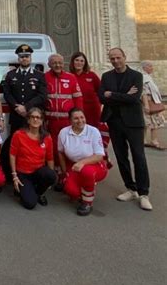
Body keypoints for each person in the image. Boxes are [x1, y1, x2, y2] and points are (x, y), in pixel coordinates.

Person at [99, 48, 152, 211]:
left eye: (118, 57)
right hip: (114, 122)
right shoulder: (106, 76)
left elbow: (134, 98)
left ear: (124, 57)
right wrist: (122, 95)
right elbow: (102, 97)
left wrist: (112, 95)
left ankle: (144, 194)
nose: (115, 60)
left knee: (139, 157)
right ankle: (131, 188)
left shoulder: (136, 76)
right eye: (112, 58)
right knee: (121, 157)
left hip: (133, 122)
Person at [1, 44, 47, 177]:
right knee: (16, 145)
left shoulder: (39, 76)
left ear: (31, 58)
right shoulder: (11, 75)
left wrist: (26, 107)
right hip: (17, 117)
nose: (24, 59)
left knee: (35, 145)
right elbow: (7, 94)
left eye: (27, 57)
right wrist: (17, 106)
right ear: (18, 59)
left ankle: (36, 173)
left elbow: (42, 96)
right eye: (22, 57)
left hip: (34, 118)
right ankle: (15, 173)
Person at [58, 108, 108, 216]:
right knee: (71, 191)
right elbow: (60, 153)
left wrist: (82, 163)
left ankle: (87, 202)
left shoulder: (93, 131)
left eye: (82, 117)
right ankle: (85, 187)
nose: (80, 120)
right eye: (76, 118)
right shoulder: (64, 132)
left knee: (87, 172)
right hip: (74, 166)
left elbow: (99, 156)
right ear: (70, 120)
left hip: (94, 165)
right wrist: (64, 172)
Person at [9, 107, 57, 210]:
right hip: (23, 173)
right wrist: (14, 176)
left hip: (38, 172)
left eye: (38, 117)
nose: (35, 120)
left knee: (51, 175)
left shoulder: (47, 137)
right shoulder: (18, 135)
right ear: (28, 119)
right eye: (33, 117)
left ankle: (39, 192)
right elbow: (12, 155)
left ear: (42, 120)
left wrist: (50, 179)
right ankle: (25, 191)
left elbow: (50, 158)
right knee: (30, 204)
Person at [44, 54, 83, 173]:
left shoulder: (71, 78)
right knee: (54, 147)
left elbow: (78, 99)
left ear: (63, 64)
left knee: (69, 146)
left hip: (67, 121)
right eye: (54, 63)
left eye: (60, 62)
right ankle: (57, 172)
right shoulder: (44, 77)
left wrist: (79, 118)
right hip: (51, 121)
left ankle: (69, 171)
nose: (57, 65)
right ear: (49, 64)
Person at [69, 52, 102, 127]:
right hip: (76, 111)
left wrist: (99, 105)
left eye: (82, 61)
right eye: (77, 60)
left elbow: (100, 91)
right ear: (72, 62)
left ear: (85, 63)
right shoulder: (69, 76)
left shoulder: (92, 75)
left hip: (93, 110)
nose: (79, 63)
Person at [141, 60, 165, 150]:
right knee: (152, 122)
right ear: (145, 67)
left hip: (151, 102)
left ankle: (143, 140)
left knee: (148, 122)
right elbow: (144, 92)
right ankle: (153, 140)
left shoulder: (147, 77)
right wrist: (146, 105)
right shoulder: (144, 78)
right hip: (149, 102)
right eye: (150, 66)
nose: (152, 68)